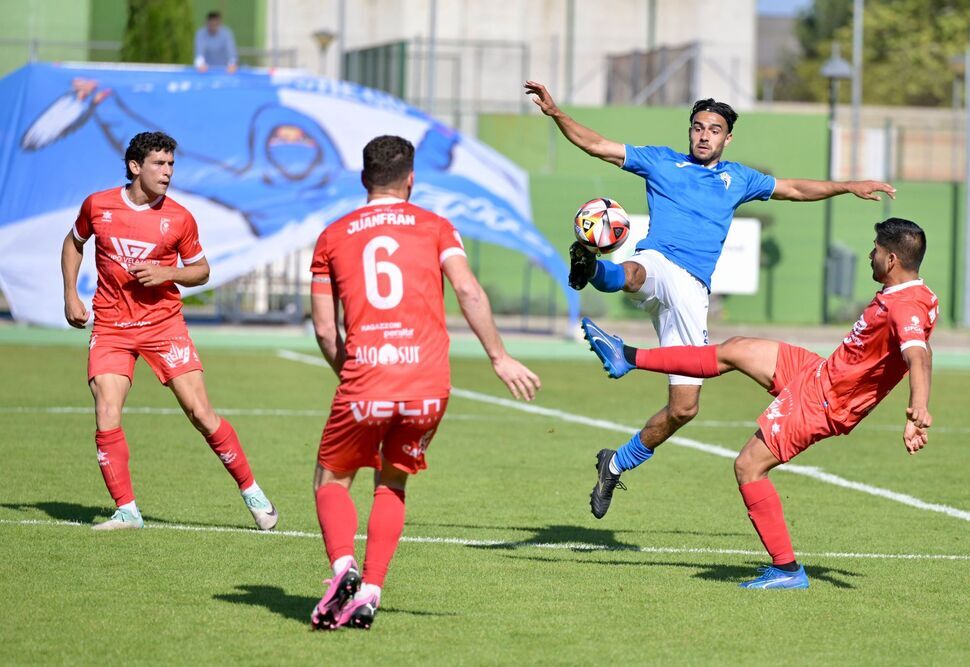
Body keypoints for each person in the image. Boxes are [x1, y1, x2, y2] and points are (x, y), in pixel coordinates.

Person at [523, 80, 898, 520]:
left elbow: (794, 189)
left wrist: (846, 185)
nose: (704, 135)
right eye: (698, 127)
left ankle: (615, 462)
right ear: (690, 130)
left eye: (714, 129)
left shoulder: (737, 178)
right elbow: (598, 145)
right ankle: (591, 270)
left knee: (684, 408)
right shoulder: (661, 162)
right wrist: (556, 113)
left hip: (694, 291)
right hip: (661, 262)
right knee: (638, 274)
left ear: (727, 137)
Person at [581, 218, 936, 588]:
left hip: (827, 400)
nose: (871, 255)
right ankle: (627, 357)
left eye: (876, 250)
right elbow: (920, 349)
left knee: (748, 466)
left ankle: (786, 570)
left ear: (892, 259)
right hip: (822, 372)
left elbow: (918, 356)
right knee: (736, 349)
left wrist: (919, 410)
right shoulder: (922, 297)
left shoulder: (906, 307)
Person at [308, 135, 541, 630]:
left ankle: (342, 566)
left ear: (363, 178)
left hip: (366, 380)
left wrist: (352, 376)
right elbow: (467, 289)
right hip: (428, 385)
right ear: (411, 178)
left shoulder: (332, 236)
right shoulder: (437, 227)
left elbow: (327, 329)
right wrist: (499, 357)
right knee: (391, 481)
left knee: (331, 480)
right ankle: (370, 591)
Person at [61, 131, 277, 531]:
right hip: (111, 326)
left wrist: (168, 272)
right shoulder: (98, 205)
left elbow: (202, 270)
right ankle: (127, 510)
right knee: (106, 409)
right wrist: (70, 295)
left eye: (171, 164)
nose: (167, 172)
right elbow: (74, 243)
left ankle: (252, 492)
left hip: (164, 326)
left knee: (200, 412)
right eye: (159, 164)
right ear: (134, 166)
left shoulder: (178, 217)